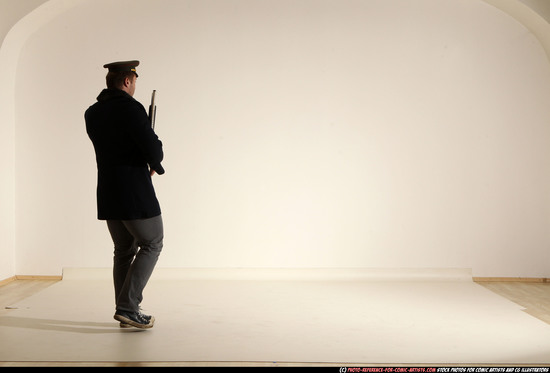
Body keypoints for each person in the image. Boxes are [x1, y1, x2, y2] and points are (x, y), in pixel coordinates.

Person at [85, 60, 165, 329]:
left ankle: (125, 310)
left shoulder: (92, 113)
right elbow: (152, 148)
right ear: (128, 81)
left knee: (123, 250)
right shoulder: (132, 109)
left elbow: (115, 145)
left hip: (108, 190)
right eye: (135, 82)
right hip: (134, 189)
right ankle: (128, 308)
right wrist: (155, 158)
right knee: (153, 242)